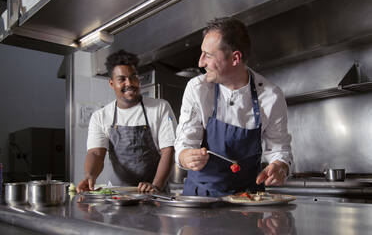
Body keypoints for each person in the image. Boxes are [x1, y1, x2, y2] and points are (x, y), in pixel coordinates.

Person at [175, 17, 293, 197]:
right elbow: (185, 143)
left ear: (235, 58)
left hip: (247, 199)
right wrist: (186, 156)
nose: (200, 63)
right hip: (201, 198)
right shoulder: (198, 88)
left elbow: (279, 150)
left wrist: (280, 167)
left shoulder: (270, 96)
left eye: (208, 55)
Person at [77, 49, 177, 193]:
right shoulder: (101, 116)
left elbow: (169, 151)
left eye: (133, 77)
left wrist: (156, 186)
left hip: (155, 195)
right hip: (118, 196)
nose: (129, 83)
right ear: (112, 83)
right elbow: (96, 153)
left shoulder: (160, 107)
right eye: (122, 79)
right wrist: (89, 176)